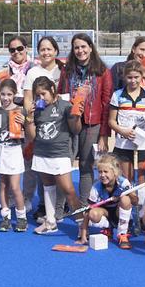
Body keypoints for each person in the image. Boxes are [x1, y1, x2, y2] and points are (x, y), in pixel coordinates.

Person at [58, 32, 114, 204]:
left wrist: (104, 134)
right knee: (63, 165)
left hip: (92, 124)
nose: (80, 50)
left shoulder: (102, 72)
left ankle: (84, 204)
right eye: (77, 47)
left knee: (85, 165)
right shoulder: (67, 71)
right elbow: (60, 95)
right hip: (68, 123)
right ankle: (62, 205)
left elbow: (106, 103)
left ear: (91, 48)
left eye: (83, 46)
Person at [28, 75, 83, 235]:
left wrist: (77, 117)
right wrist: (29, 118)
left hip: (60, 153)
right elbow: (32, 137)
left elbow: (76, 129)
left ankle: (81, 225)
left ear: (52, 90)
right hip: (41, 152)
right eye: (37, 95)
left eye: (43, 94)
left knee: (68, 190)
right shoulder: (36, 110)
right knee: (48, 186)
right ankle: (51, 221)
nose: (40, 98)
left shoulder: (65, 106)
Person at [106, 60, 145, 232]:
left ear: (142, 77)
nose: (133, 81)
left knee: (141, 183)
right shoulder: (118, 95)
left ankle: (141, 218)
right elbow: (111, 121)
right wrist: (123, 131)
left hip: (142, 146)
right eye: (129, 77)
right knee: (126, 182)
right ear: (124, 77)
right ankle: (126, 218)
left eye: (136, 77)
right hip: (123, 144)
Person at [24, 36, 63, 223]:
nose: (46, 52)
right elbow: (27, 98)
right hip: (41, 124)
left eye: (49, 49)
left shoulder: (63, 71)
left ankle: (60, 206)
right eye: (42, 49)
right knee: (42, 166)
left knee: (61, 166)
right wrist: (30, 117)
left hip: (60, 124)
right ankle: (43, 205)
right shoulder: (33, 72)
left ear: (56, 51)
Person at [0, 79, 28, 232]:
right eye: (2, 94)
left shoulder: (21, 111)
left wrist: (25, 123)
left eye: (9, 94)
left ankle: (22, 217)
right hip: (0, 151)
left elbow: (28, 135)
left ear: (15, 94)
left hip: (14, 151)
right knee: (3, 186)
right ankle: (5, 217)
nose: (5, 97)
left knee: (16, 187)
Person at [77, 155, 137, 249]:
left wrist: (124, 194)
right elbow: (88, 212)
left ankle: (122, 234)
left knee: (125, 199)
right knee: (93, 213)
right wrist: (83, 235)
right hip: (106, 214)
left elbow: (135, 201)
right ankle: (108, 229)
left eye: (106, 171)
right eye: (100, 172)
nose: (102, 175)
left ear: (115, 172)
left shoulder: (123, 182)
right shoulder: (96, 187)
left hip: (120, 214)